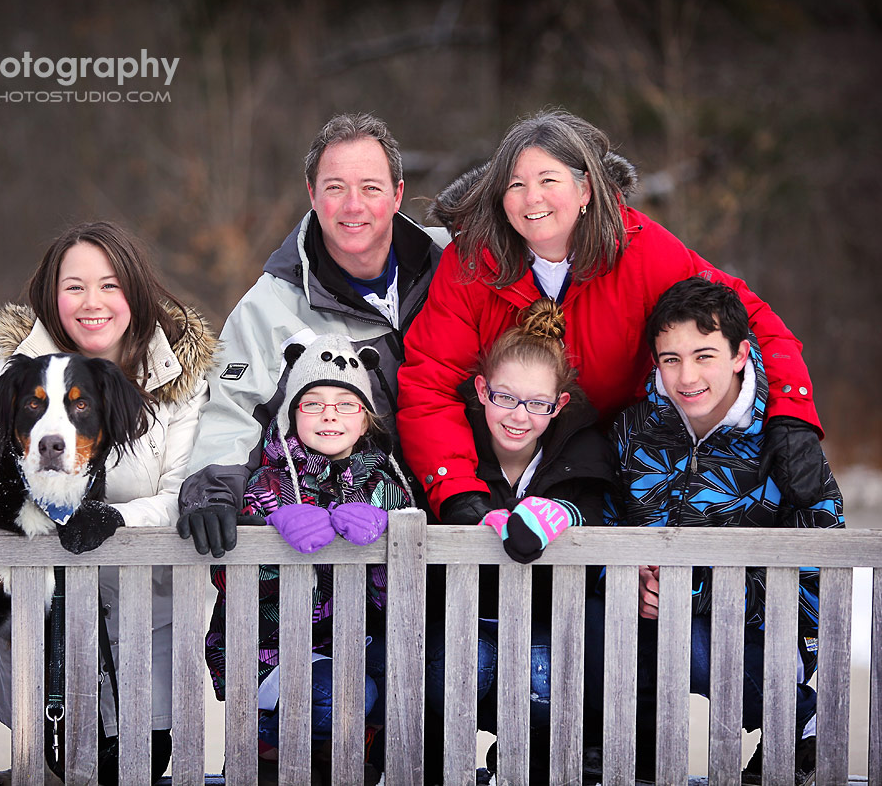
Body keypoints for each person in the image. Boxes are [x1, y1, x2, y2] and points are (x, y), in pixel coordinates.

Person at [0, 220, 216, 783]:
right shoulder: (15, 375)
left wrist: (116, 518)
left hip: (146, 625)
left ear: (137, 291)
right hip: (40, 629)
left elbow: (187, 491)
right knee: (56, 763)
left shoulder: (186, 385)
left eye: (110, 284)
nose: (92, 302)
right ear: (52, 297)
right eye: (74, 286)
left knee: (140, 767)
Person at [397, 109, 830, 528]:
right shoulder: (472, 263)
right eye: (516, 185)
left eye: (549, 180)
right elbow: (429, 382)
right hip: (500, 463)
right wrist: (456, 491)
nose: (533, 198)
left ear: (585, 191)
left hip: (620, 468)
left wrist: (791, 415)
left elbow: (747, 318)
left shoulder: (640, 249)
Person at [584, 277, 843, 783]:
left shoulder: (783, 438)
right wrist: (623, 579)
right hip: (638, 630)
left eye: (705, 355)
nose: (687, 376)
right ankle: (622, 752)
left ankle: (792, 729)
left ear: (741, 354)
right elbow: (594, 528)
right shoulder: (630, 431)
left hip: (748, 637)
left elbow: (818, 576)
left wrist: (695, 590)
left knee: (697, 640)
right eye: (671, 359)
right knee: (601, 625)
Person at [177, 112, 449, 558]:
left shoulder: (455, 266)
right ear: (312, 194)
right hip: (346, 539)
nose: (353, 205)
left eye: (371, 187)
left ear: (398, 195)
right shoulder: (272, 305)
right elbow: (233, 407)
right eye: (335, 187)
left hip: (463, 517)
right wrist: (212, 492)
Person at [203, 334, 413, 784]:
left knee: (404, 677)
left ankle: (352, 757)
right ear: (292, 414)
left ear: (366, 417)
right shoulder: (266, 483)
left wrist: (385, 535)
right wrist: (272, 536)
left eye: (345, 404)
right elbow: (226, 576)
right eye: (313, 403)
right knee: (341, 694)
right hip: (274, 651)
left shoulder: (387, 483)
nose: (330, 415)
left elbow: (405, 588)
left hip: (357, 644)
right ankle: (264, 746)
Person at [423, 297, 615, 782]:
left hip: (545, 621)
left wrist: (562, 514)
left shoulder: (581, 447)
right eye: (505, 398)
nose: (518, 416)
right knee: (465, 665)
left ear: (559, 405)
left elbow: (595, 508)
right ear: (483, 390)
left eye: (537, 404)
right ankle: (437, 766)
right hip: (463, 616)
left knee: (544, 675)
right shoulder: (454, 441)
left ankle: (525, 767)